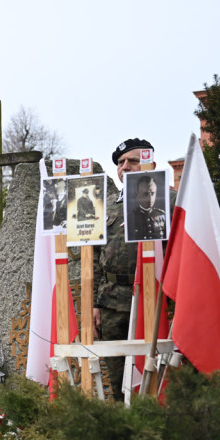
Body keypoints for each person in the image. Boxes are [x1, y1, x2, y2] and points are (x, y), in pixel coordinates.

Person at [93, 137, 153, 401]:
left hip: (150, 300)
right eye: (120, 162)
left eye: (132, 161)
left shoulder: (168, 200)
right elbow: (95, 257)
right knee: (117, 378)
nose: (125, 167)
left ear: (150, 164)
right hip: (111, 303)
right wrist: (95, 304)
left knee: (152, 373)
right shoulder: (106, 205)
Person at [127, 174, 166, 241]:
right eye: (146, 194)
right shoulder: (130, 218)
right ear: (137, 195)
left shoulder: (162, 214)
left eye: (152, 193)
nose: (150, 198)